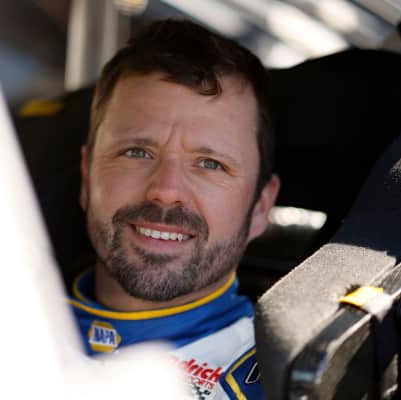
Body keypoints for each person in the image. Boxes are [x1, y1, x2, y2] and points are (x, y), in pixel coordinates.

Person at [68, 18, 280, 400]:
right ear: (86, 177)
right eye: (136, 152)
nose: (165, 192)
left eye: (210, 164)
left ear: (261, 207)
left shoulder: (283, 384)